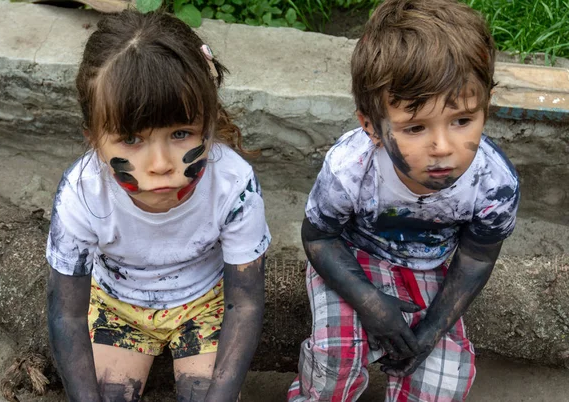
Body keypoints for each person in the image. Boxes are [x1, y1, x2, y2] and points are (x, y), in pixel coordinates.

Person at [287, 0, 520, 401]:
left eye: (462, 120)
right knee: (335, 364)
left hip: (429, 267)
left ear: (486, 105)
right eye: (415, 127)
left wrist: (432, 329)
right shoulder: (351, 168)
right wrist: (368, 302)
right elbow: (320, 237)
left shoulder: (494, 185)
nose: (443, 147)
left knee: (442, 383)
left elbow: (478, 257)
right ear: (371, 127)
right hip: (350, 256)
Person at [46, 10, 271, 402]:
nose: (162, 164)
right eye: (132, 139)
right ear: (95, 141)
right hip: (117, 305)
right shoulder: (82, 194)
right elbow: (66, 314)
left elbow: (246, 303)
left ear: (209, 122)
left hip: (207, 304)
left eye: (181, 133)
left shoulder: (234, 186)